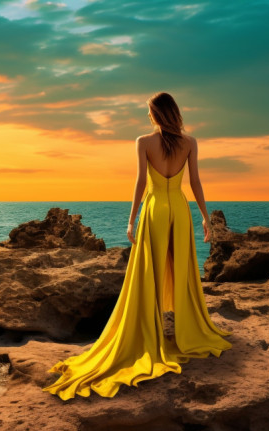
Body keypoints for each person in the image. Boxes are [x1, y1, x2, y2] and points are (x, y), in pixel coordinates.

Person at [42, 92, 233, 400]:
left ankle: (151, 330)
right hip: (180, 210)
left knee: (150, 272)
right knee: (182, 269)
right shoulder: (190, 143)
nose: (147, 116)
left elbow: (141, 182)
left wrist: (131, 220)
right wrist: (206, 218)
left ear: (157, 114)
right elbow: (195, 181)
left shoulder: (143, 142)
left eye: (149, 112)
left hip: (156, 209)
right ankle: (185, 328)